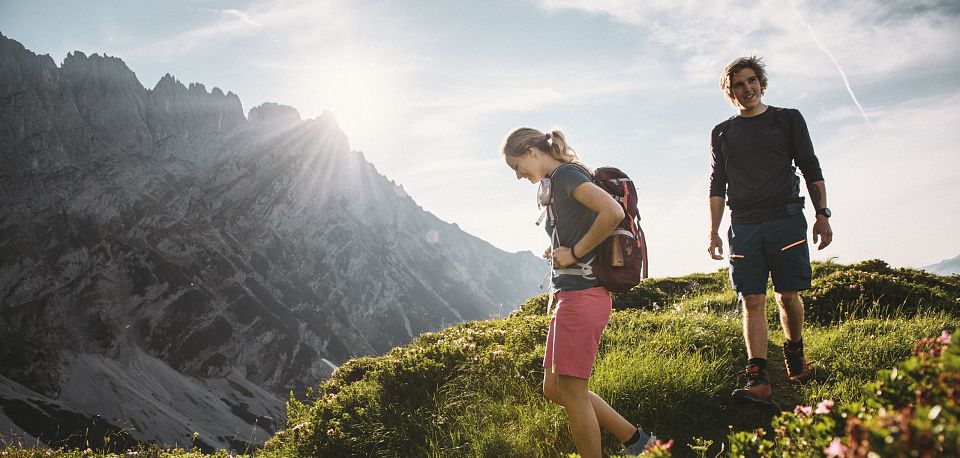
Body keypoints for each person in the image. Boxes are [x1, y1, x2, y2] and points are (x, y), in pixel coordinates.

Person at [502, 127, 656, 457]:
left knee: (572, 391)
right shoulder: (558, 181)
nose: (518, 176)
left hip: (583, 297)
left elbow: (612, 212)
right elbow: (584, 226)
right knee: (555, 389)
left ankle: (628, 446)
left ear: (531, 151)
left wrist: (573, 254)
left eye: (516, 167)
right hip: (570, 296)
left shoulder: (566, 175)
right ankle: (639, 442)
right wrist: (562, 249)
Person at [707, 56, 833, 405]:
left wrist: (822, 214)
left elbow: (810, 165)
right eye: (738, 85)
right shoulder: (723, 132)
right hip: (744, 223)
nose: (746, 88)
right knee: (752, 298)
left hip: (785, 218)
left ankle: (794, 352)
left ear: (761, 83)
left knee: (788, 295)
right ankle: (758, 376)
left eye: (751, 81)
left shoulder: (787, 119)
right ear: (730, 93)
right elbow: (718, 183)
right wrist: (713, 231)